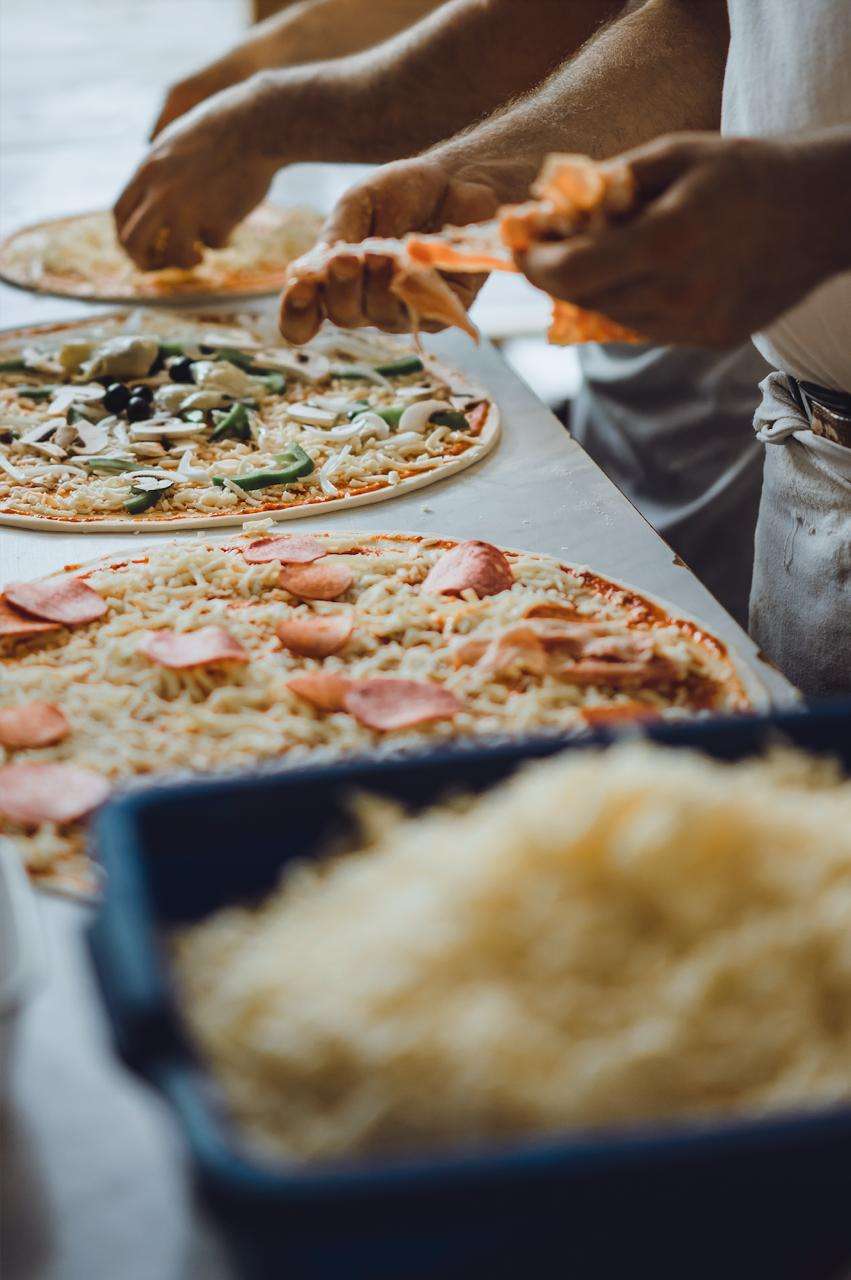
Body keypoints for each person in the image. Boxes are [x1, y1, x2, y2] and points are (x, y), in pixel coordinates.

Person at [117, 0, 770, 629]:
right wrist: (476, 176)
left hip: (747, 297)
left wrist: (267, 112)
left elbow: (569, 22)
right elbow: (696, 19)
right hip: (664, 304)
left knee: (705, 634)